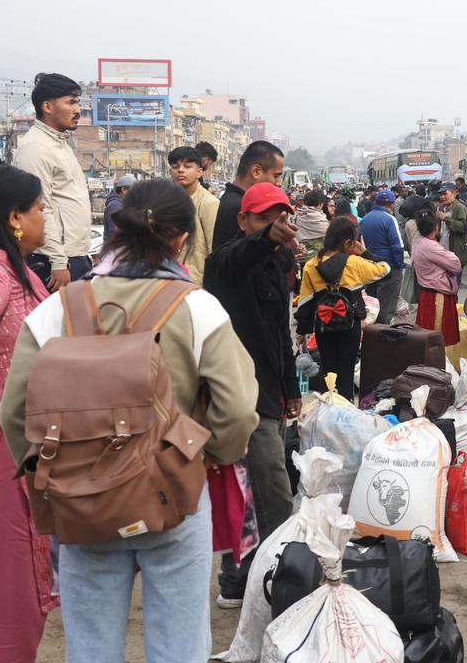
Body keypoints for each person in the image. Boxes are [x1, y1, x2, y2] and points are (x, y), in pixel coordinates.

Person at [0, 178, 258, 663]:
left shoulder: (57, 308)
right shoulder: (198, 308)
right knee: (179, 643)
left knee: (91, 642)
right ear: (181, 239)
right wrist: (203, 458)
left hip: (82, 499)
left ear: (114, 230)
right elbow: (238, 410)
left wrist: (54, 474)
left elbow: (15, 412)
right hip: (172, 492)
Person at [0, 165, 57, 663]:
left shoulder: (12, 272)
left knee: (17, 573)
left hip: (14, 444)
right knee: (3, 579)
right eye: (40, 207)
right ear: (14, 218)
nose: (46, 217)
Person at [203, 182, 301, 606]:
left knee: (249, 488)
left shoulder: (278, 265)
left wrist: (291, 387)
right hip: (239, 399)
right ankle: (281, 581)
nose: (275, 226)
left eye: (280, 218)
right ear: (243, 220)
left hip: (270, 392)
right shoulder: (225, 262)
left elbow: (282, 332)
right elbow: (243, 254)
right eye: (264, 218)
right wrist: (264, 238)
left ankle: (240, 580)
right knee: (272, 493)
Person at [12, 72, 91, 290]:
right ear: (47, 107)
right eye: (71, 102)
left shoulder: (60, 143)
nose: (78, 110)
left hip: (74, 256)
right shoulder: (36, 149)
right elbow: (40, 208)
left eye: (78, 102)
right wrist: (58, 261)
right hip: (55, 262)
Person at [295, 216, 390, 394]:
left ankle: (329, 408)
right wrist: (363, 252)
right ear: (348, 242)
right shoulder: (354, 263)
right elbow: (386, 269)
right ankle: (345, 410)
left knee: (329, 372)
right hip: (350, 325)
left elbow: (305, 303)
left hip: (323, 326)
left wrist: (302, 332)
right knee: (346, 372)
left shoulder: (311, 265)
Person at [213, 141, 285, 250]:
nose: (279, 183)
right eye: (275, 176)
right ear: (256, 171)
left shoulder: (232, 199)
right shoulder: (239, 205)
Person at [169, 146, 219, 285]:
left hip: (196, 282)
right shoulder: (166, 202)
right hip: (169, 281)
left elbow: (214, 250)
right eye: (175, 166)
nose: (180, 170)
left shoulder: (209, 203)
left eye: (187, 166)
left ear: (199, 172)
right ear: (170, 172)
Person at [413, 211, 464, 346]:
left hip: (427, 293)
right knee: (436, 337)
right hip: (437, 296)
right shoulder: (432, 247)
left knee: (428, 335)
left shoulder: (419, 242)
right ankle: (436, 365)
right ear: (436, 227)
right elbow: (456, 265)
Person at [359, 188, 405, 323]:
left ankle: (372, 332)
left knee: (373, 304)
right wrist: (399, 266)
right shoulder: (390, 219)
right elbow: (398, 246)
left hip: (370, 268)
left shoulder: (364, 219)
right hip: (389, 268)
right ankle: (383, 335)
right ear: (391, 204)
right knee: (387, 306)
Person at [438, 182, 467, 273]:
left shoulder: (460, 208)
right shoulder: (442, 208)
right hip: (443, 250)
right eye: (441, 194)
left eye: (445, 194)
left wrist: (446, 218)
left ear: (454, 194)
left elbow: (464, 227)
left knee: (455, 282)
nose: (442, 197)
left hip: (456, 252)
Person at [295, 189, 331, 265]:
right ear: (320, 204)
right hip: (316, 262)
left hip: (299, 259)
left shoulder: (297, 215)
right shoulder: (322, 222)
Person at [103, 174, 137, 241]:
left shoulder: (125, 204)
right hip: (116, 248)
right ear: (124, 190)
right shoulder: (115, 206)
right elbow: (114, 233)